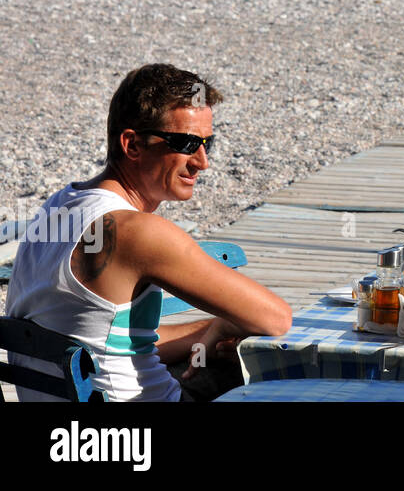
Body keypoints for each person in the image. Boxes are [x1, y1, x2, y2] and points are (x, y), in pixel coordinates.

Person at [4, 64, 292, 401]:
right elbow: (276, 319)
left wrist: (210, 331)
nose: (202, 162)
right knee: (286, 370)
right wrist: (227, 324)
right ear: (132, 145)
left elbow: (105, 340)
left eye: (206, 144)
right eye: (185, 143)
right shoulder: (136, 232)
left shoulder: (56, 207)